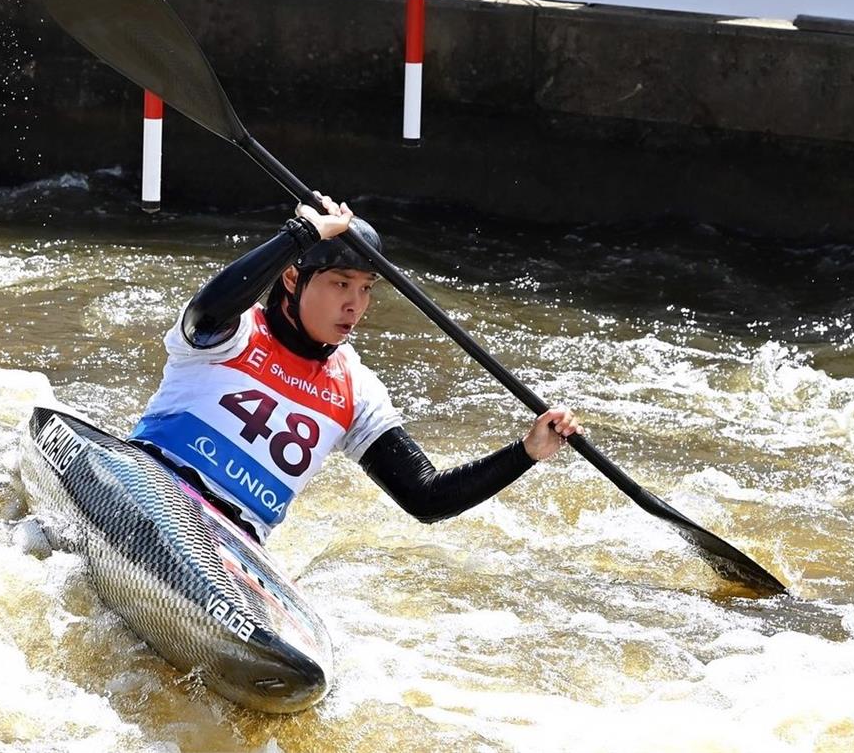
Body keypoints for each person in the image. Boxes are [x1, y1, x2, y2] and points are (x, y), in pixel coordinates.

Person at [130, 194, 581, 544]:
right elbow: (205, 310)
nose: (355, 305)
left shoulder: (356, 390)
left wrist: (526, 452)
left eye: (366, 288)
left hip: (231, 539)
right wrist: (303, 233)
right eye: (340, 284)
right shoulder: (231, 332)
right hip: (147, 483)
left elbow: (425, 497)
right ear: (292, 278)